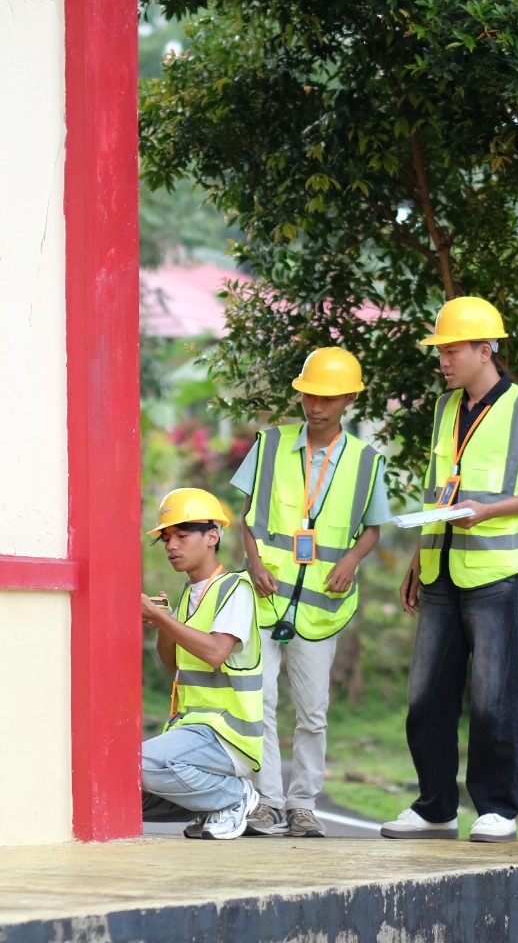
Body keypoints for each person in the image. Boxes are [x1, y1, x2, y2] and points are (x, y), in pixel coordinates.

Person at [380, 297, 518, 844]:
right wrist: (419, 556)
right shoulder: (445, 409)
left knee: (492, 698)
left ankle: (498, 808)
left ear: (486, 350)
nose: (444, 359)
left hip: (496, 575)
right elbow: (445, 492)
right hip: (439, 569)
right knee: (426, 697)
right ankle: (436, 806)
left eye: (452, 349)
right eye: (441, 350)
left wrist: (490, 514)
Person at [232, 347, 391, 837]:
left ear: (347, 399)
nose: (316, 406)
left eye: (327, 398)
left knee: (313, 712)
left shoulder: (366, 460)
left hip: (321, 605)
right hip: (267, 595)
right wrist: (254, 563)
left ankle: (302, 805)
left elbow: (372, 528)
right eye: (308, 396)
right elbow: (248, 519)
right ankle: (266, 803)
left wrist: (351, 560)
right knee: (258, 701)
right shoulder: (270, 444)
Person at [139, 487, 264, 839]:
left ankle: (233, 798)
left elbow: (215, 653)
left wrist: (163, 620)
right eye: (166, 539)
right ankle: (213, 804)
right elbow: (171, 664)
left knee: (137, 765)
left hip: (227, 736)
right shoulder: (189, 595)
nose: (171, 546)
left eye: (181, 535)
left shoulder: (235, 590)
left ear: (213, 536)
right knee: (122, 789)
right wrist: (162, 622)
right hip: (194, 730)